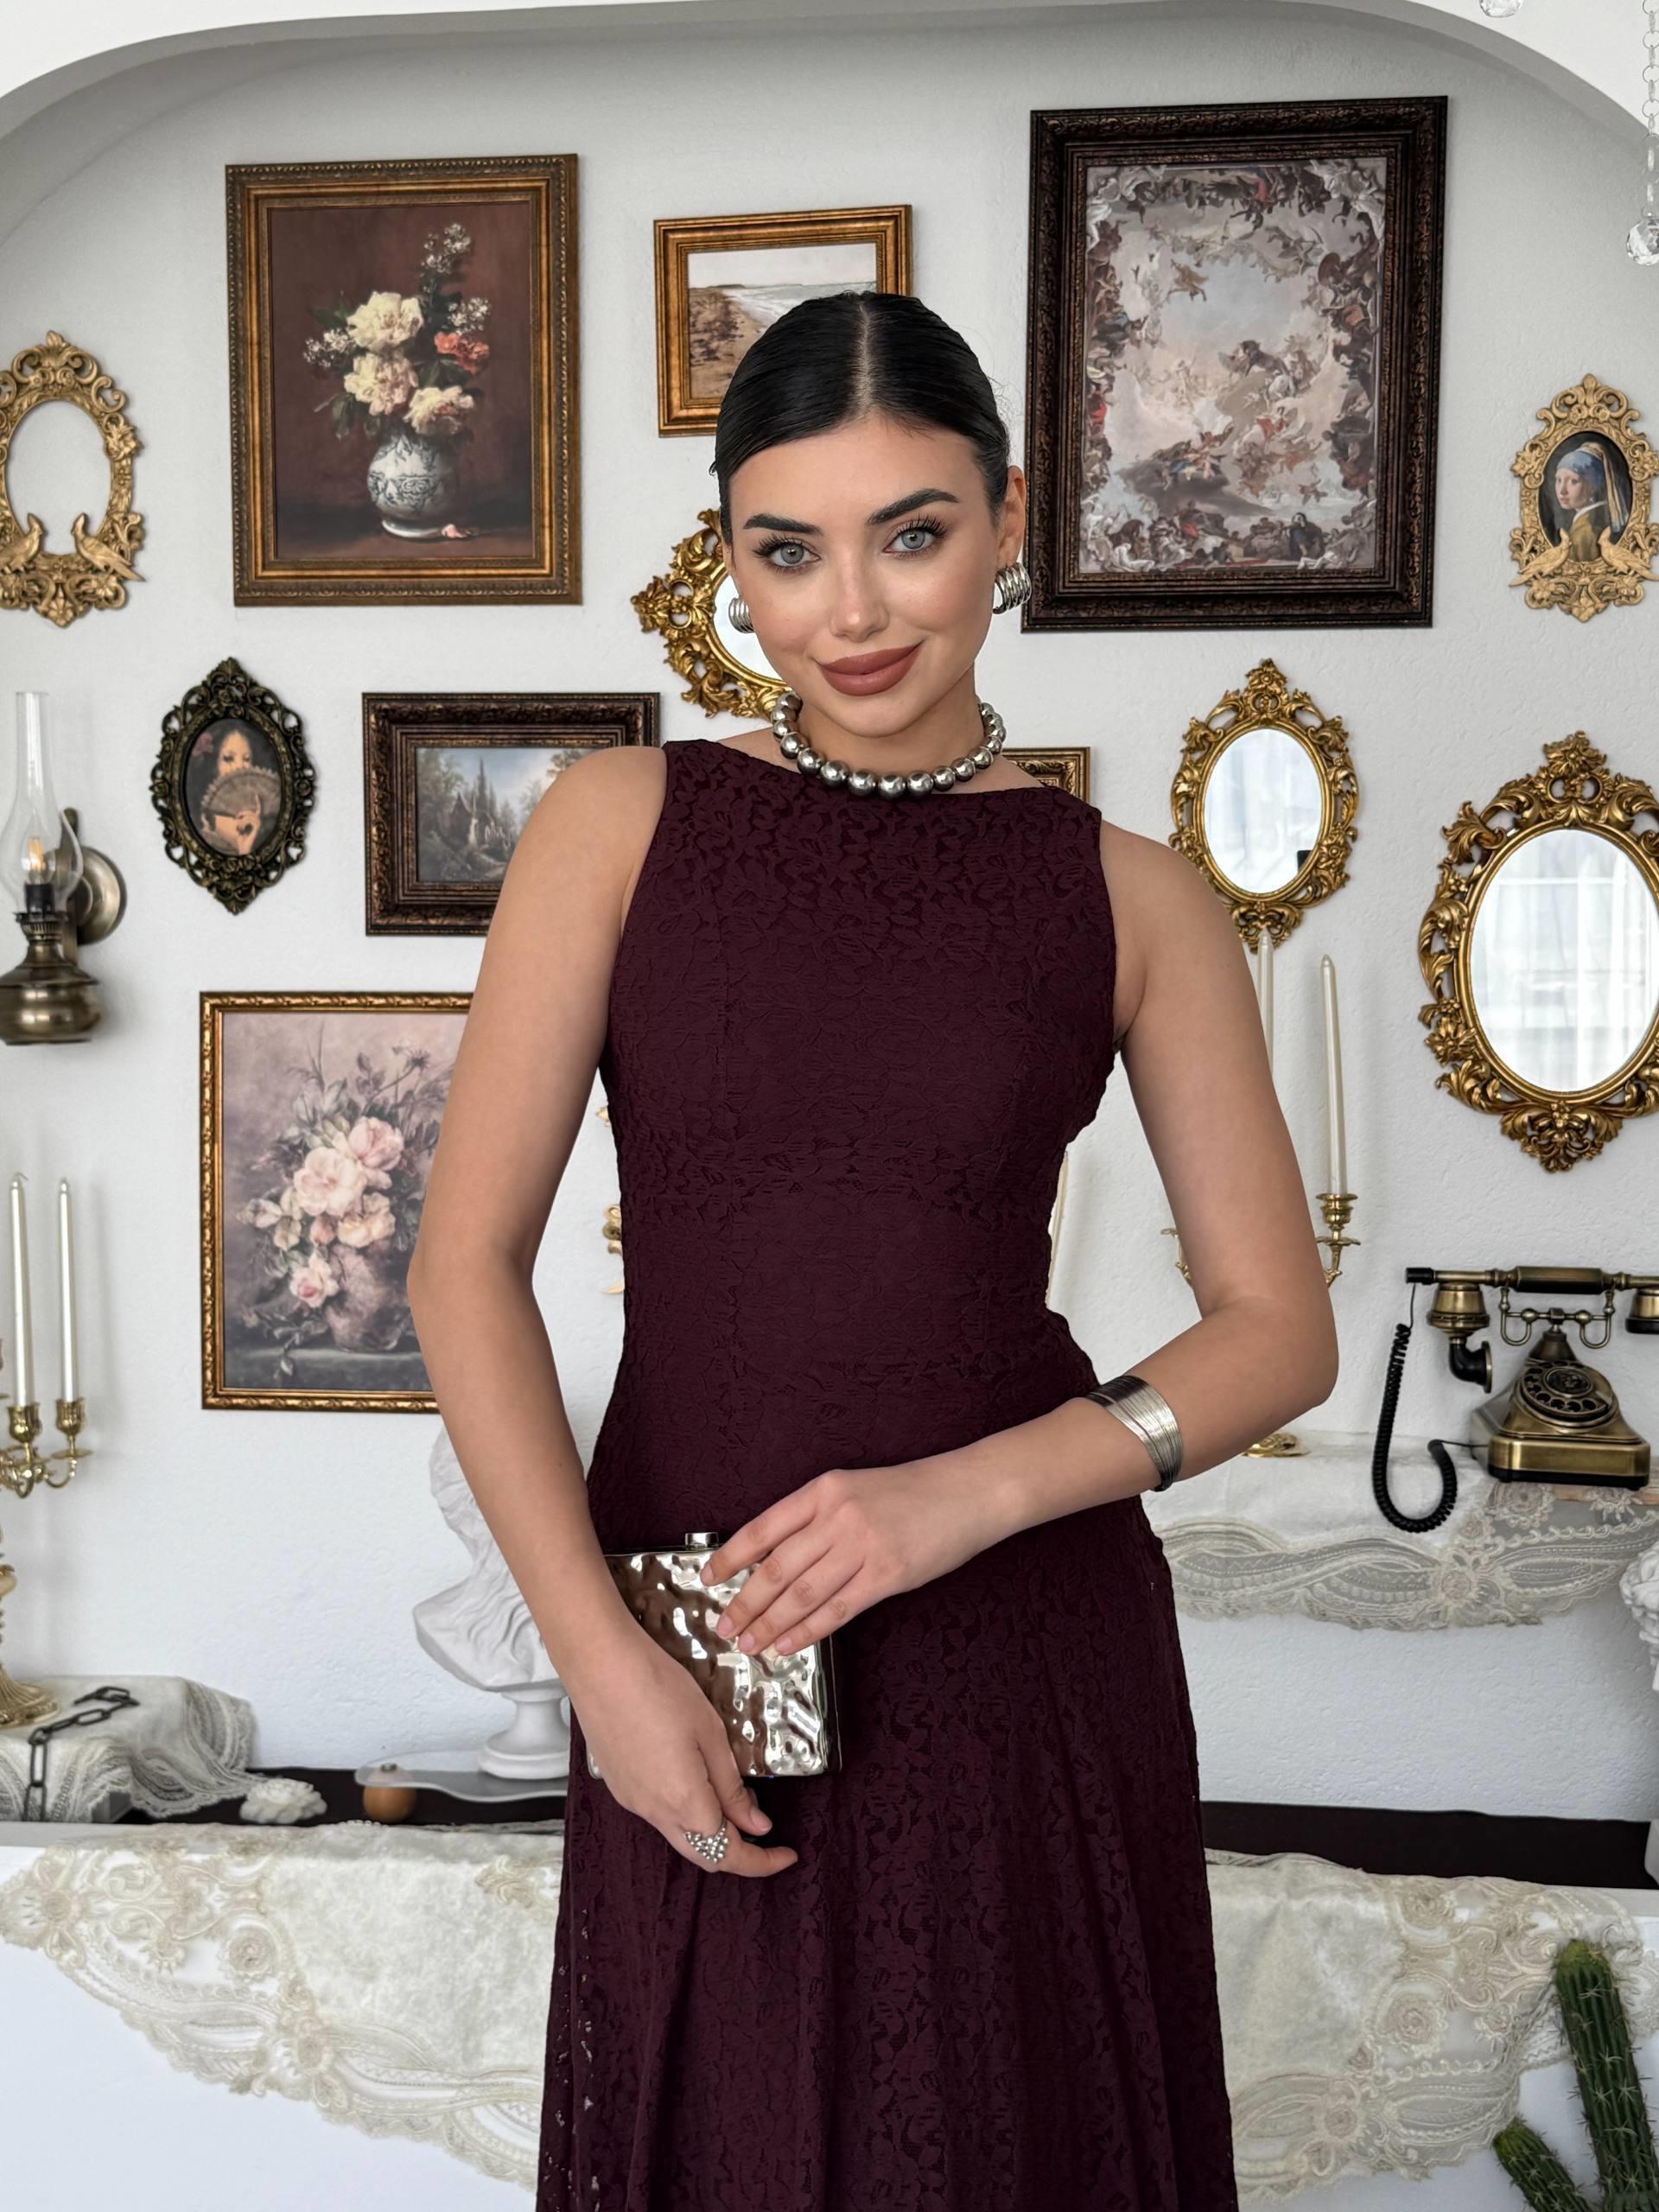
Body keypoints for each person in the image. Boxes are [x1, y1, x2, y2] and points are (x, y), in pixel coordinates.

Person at [407, 289, 1338, 2210]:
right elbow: (460, 1268)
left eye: (911, 534)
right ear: (731, 560)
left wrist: (958, 1501)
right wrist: (596, 1662)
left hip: (1025, 1654)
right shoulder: (620, 824)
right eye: (788, 551)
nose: (851, 611)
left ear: (1008, 520)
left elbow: (1277, 1329)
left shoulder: (1133, 897)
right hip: (697, 1644)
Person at [1550, 442, 1630, 559]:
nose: (1562, 491)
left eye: (1573, 481)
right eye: (1559, 480)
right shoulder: (1597, 518)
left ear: (1592, 486)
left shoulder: (1585, 532)